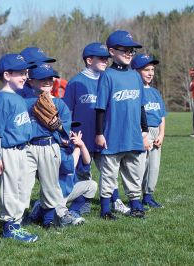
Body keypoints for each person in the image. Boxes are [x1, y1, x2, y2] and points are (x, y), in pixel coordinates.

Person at [63, 42, 130, 216]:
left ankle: (115, 200)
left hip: (102, 136)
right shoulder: (75, 82)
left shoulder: (107, 79)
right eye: (101, 58)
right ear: (89, 60)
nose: (105, 61)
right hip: (81, 137)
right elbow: (67, 111)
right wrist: (68, 134)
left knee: (109, 172)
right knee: (82, 174)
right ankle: (79, 202)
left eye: (106, 58)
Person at [95, 30, 150, 219]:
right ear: (111, 51)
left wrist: (145, 130)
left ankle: (136, 204)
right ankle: (105, 209)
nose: (129, 54)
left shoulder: (135, 76)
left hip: (133, 135)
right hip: (113, 135)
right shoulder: (107, 76)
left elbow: (141, 106)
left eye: (131, 51)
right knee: (109, 175)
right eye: (124, 50)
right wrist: (99, 133)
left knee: (134, 172)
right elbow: (100, 107)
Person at [24, 63, 84, 228]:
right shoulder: (25, 102)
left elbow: (66, 131)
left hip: (50, 145)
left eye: (50, 78)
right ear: (31, 82)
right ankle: (21, 216)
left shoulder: (59, 104)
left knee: (50, 185)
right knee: (23, 184)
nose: (47, 82)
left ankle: (48, 220)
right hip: (29, 146)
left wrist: (56, 125)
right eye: (42, 79)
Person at [0, 53, 39, 242]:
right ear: (6, 75)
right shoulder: (3, 98)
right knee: (10, 189)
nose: (25, 77)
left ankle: (17, 223)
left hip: (23, 149)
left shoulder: (18, 97)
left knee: (22, 188)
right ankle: (10, 227)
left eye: (26, 72)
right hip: (9, 151)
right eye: (20, 73)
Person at [132, 54, 166, 208]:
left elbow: (162, 116)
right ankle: (135, 197)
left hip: (155, 132)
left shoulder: (155, 92)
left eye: (152, 69)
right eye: (146, 69)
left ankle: (148, 195)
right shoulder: (135, 91)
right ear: (136, 71)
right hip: (141, 132)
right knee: (140, 166)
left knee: (154, 166)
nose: (151, 73)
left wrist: (161, 134)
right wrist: (142, 135)